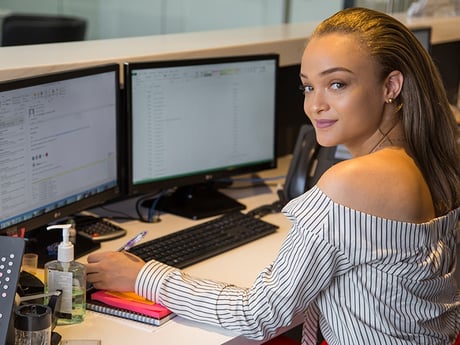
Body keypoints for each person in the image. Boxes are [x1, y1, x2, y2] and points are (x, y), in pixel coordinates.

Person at [86, 7, 460, 344]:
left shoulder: (354, 182)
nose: (315, 105)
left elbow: (259, 314)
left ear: (391, 86)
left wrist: (141, 278)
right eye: (308, 86)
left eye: (338, 84)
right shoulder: (433, 160)